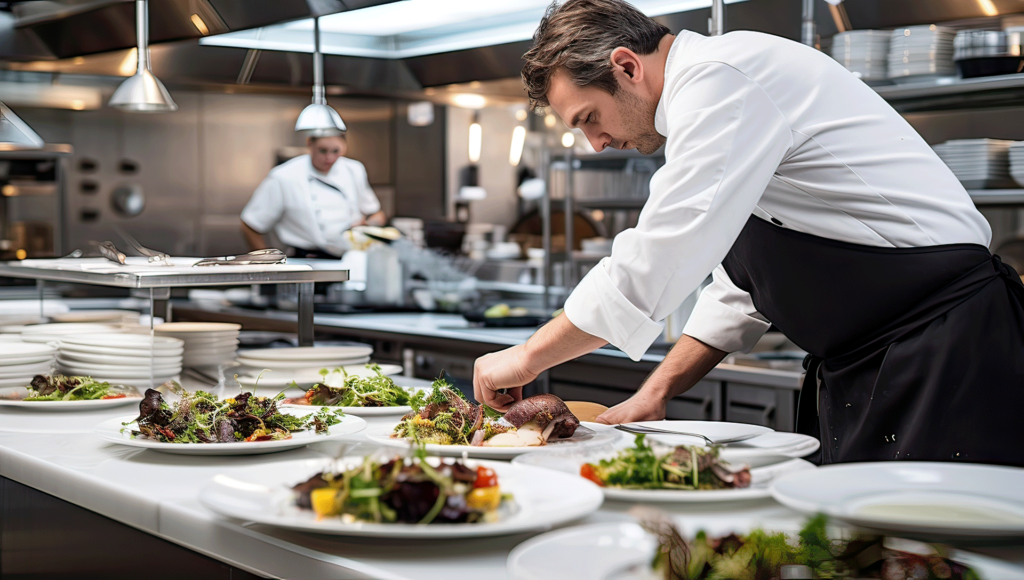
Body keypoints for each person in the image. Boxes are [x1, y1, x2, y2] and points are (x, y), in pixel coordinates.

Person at [473, 0, 1024, 466]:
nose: (596, 142)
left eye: (588, 118)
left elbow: (659, 255)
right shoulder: (716, 97)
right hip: (882, 360)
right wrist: (657, 390)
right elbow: (741, 289)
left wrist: (529, 355)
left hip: (947, 347)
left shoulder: (723, 77)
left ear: (625, 67)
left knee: (941, 555)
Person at [241, 133, 386, 259]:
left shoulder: (354, 170)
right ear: (309, 143)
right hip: (303, 262)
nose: (329, 158)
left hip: (349, 260)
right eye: (323, 151)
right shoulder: (284, 176)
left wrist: (367, 226)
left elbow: (378, 215)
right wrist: (267, 265)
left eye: (336, 151)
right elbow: (250, 225)